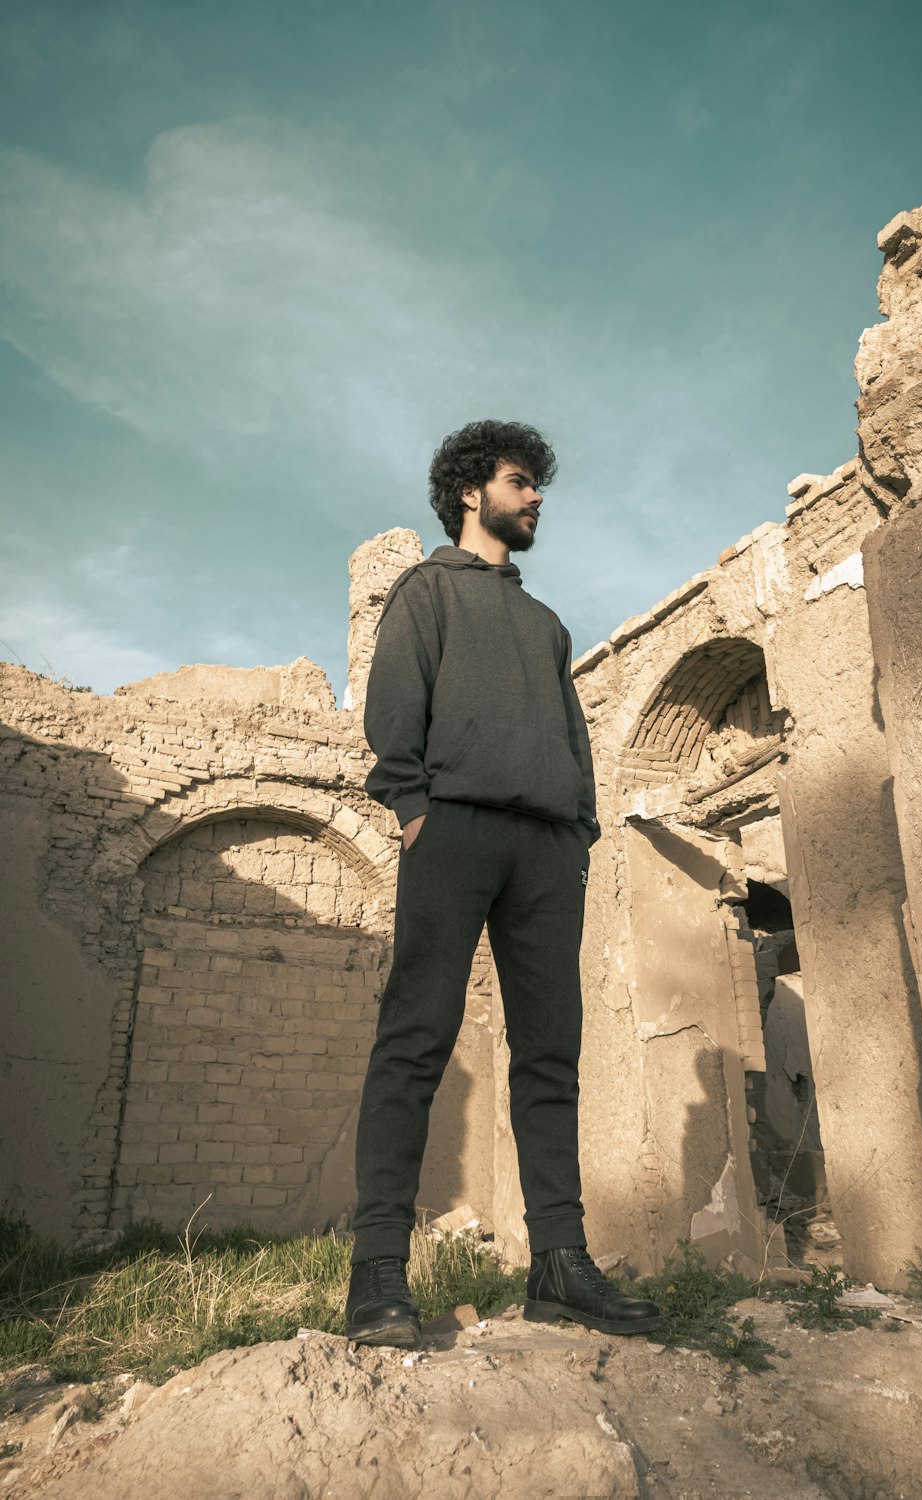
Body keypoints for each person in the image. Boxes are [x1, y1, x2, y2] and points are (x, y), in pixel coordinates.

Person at [344, 419, 660, 1347]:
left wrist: (580, 836)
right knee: (415, 1041)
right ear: (472, 492)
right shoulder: (425, 591)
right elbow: (395, 706)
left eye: (538, 486)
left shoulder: (547, 623)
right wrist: (413, 811)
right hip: (455, 831)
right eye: (522, 482)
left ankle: (560, 1264)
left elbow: (573, 738)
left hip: (548, 851)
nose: (537, 499)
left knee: (551, 1054)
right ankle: (377, 1276)